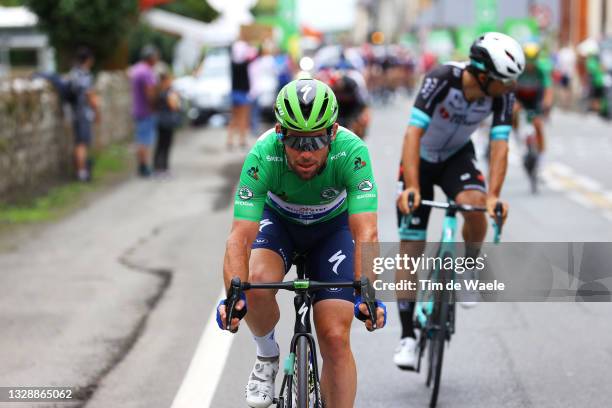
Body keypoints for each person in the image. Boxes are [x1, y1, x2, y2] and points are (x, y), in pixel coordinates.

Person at [216, 78, 386, 407]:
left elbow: (366, 232)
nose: (306, 153)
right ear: (281, 134)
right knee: (259, 282)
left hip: (331, 230)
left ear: (333, 132)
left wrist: (368, 290)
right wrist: (235, 294)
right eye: (296, 141)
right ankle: (267, 355)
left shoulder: (353, 153)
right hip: (279, 224)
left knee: (336, 337)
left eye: (317, 140)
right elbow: (240, 236)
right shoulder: (263, 154)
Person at [393, 32, 524, 370]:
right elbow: (412, 132)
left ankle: (467, 270)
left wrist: (494, 194)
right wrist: (411, 185)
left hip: (455, 156)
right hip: (419, 158)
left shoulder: (501, 95)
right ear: (483, 74)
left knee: (476, 206)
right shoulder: (441, 79)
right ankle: (407, 337)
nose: (510, 88)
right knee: (411, 247)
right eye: (505, 81)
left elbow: (500, 146)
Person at [513, 42, 553, 155]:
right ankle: (516, 136)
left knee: (538, 125)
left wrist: (547, 102)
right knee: (513, 110)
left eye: (533, 59)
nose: (530, 64)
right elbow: (511, 87)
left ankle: (541, 156)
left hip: (535, 99)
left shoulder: (542, 69)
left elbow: (548, 88)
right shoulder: (519, 69)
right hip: (521, 97)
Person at [67, 47, 100, 182]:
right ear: (88, 60)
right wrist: (97, 111)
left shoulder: (73, 73)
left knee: (78, 142)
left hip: (74, 113)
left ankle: (79, 170)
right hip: (84, 114)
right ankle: (82, 173)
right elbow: (90, 95)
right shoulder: (85, 75)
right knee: (82, 143)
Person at [129, 44, 159, 177]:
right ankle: (144, 167)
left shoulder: (136, 69)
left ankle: (141, 166)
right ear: (151, 58)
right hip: (146, 111)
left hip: (137, 109)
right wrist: (154, 107)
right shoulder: (146, 72)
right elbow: (150, 93)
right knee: (145, 141)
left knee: (140, 138)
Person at [227, 39, 256, 150]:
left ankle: (230, 140)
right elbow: (254, 55)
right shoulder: (245, 63)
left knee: (234, 117)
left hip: (234, 92)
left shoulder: (232, 63)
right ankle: (242, 140)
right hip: (243, 93)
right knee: (244, 117)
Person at [153, 72, 181, 174]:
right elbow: (174, 106)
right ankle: (163, 167)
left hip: (160, 121)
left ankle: (158, 167)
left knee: (160, 145)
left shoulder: (158, 92)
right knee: (165, 145)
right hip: (167, 122)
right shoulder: (167, 93)